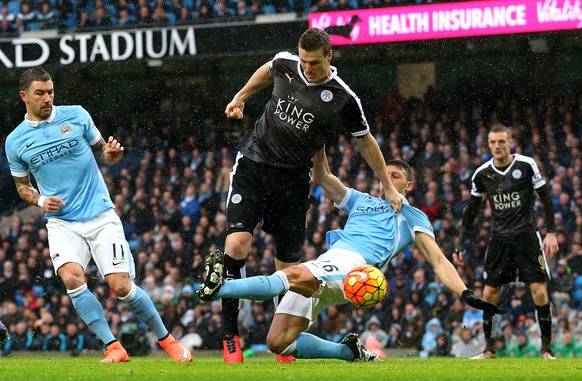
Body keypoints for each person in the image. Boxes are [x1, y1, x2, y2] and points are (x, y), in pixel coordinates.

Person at [198, 147, 501, 362]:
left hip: (356, 269)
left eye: (394, 176)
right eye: (385, 173)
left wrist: (465, 293)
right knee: (278, 342)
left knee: (290, 275)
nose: (387, 178)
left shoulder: (413, 216)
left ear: (407, 185)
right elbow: (323, 175)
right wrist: (319, 140)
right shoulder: (361, 200)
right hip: (332, 263)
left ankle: (220, 288)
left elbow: (438, 260)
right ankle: (348, 352)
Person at [218, 27, 402, 363]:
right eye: (303, 61)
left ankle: (284, 343)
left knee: (288, 265)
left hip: (293, 180)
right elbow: (268, 68)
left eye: (314, 63)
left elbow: (365, 141)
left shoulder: (344, 97)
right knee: (236, 245)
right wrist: (241, 96)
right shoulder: (286, 63)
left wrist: (387, 185)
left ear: (329, 57)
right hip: (254, 164)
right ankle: (230, 337)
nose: (307, 68)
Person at [4, 67, 192, 363]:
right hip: (62, 221)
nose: (47, 98)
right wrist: (40, 200)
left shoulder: (77, 115)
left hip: (99, 213)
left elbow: (104, 149)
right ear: (24, 96)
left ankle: (168, 341)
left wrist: (112, 155)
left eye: (51, 91)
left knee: (121, 287)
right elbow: (22, 187)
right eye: (40, 93)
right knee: (71, 278)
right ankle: (113, 346)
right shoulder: (15, 142)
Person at [454, 124, 559, 360]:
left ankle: (546, 350)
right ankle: (489, 350)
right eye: (493, 142)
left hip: (527, 237)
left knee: (539, 292)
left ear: (509, 142)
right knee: (490, 293)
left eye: (501, 141)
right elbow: (471, 211)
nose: (497, 146)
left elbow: (546, 198)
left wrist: (551, 232)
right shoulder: (482, 174)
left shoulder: (526, 165)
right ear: (488, 144)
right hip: (499, 239)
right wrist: (460, 241)